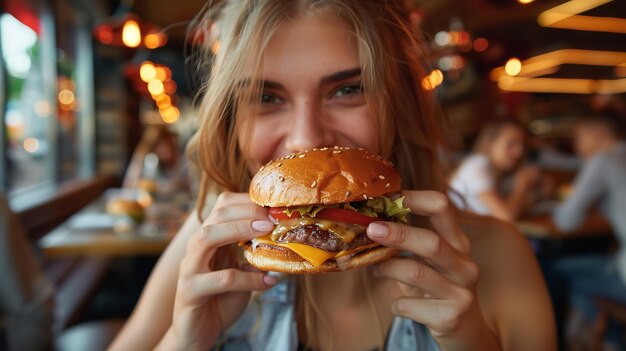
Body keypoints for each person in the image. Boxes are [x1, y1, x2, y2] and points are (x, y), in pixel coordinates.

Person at [109, 1, 556, 350]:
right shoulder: (212, 244)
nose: (305, 140)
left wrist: (469, 340)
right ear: (231, 120)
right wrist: (185, 343)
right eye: (266, 97)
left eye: (348, 90)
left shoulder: (497, 256)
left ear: (398, 106)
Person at [549, 113, 626, 349]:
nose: (576, 146)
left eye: (580, 137)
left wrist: (552, 204)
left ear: (599, 135)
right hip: (617, 259)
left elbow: (566, 221)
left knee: (557, 271)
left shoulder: (604, 160)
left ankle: (612, 340)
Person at [449, 120, 542, 221]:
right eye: (511, 143)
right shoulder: (476, 166)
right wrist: (522, 183)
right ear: (491, 143)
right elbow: (506, 217)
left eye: (522, 145)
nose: (519, 151)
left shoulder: (496, 171)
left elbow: (516, 209)